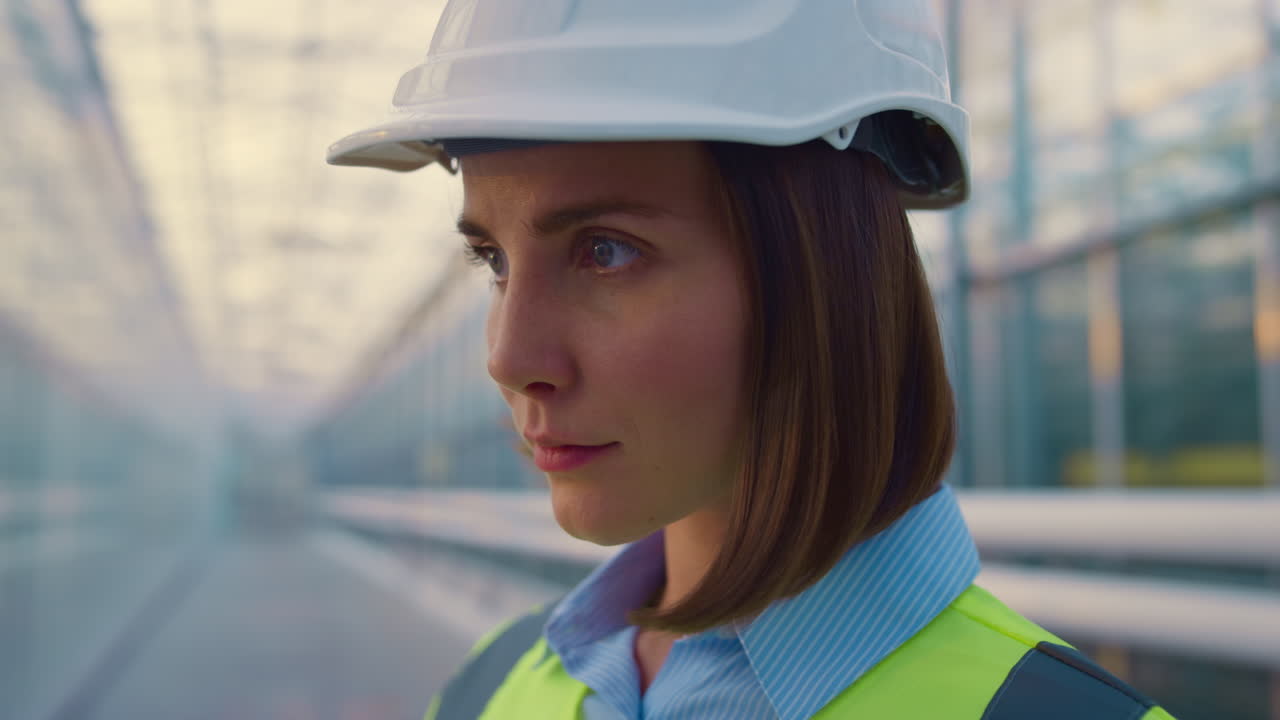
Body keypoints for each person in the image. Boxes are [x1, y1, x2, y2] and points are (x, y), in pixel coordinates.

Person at [328, 1, 1176, 718]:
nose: (510, 358)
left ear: (826, 276)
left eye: (605, 252)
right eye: (494, 260)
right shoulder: (489, 690)